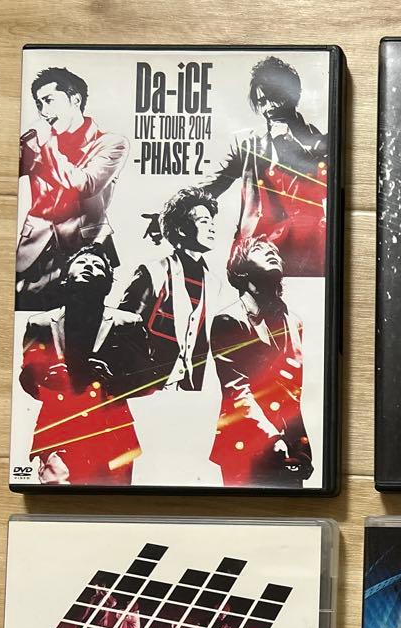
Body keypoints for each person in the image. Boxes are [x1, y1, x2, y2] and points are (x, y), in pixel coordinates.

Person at [119, 187, 225, 483]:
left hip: (191, 393)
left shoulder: (214, 282)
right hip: (148, 391)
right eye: (203, 221)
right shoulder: (151, 272)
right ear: (180, 229)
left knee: (186, 469)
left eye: (212, 220)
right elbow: (123, 329)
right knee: (149, 469)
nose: (212, 226)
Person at [18, 244, 147, 484]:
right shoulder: (40, 324)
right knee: (56, 499)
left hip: (113, 433)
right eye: (82, 262)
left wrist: (113, 378)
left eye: (98, 266)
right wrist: (45, 378)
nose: (89, 266)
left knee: (112, 501)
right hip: (58, 429)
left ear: (107, 284)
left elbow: (146, 379)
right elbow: (27, 378)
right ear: (65, 278)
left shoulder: (129, 323)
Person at [201, 56, 328, 276]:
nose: (268, 108)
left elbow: (324, 188)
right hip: (255, 254)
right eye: (262, 101)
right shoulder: (248, 143)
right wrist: (176, 209)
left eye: (275, 98)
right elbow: (215, 184)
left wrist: (288, 143)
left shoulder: (320, 141)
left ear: (293, 95)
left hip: (305, 253)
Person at [17, 67, 129, 309]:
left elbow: (85, 185)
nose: (43, 111)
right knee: (28, 321)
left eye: (49, 100)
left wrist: (47, 144)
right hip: (34, 251)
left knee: (80, 321)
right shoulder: (35, 141)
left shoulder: (111, 143)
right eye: (39, 104)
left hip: (85, 251)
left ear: (75, 99)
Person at [209, 237, 313, 486]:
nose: (271, 253)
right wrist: (271, 439)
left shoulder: (294, 322)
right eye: (259, 249)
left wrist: (302, 447)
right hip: (245, 443)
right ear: (241, 269)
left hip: (287, 447)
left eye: (273, 251)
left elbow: (292, 395)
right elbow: (236, 391)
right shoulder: (228, 320)